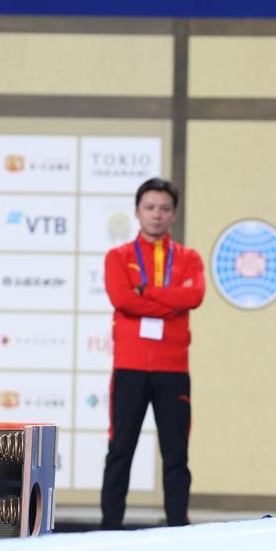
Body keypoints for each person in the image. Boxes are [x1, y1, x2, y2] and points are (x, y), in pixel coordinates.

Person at [100, 177, 205, 528]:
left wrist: (145, 292)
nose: (156, 215)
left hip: (173, 368)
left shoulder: (189, 258)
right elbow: (122, 298)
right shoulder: (119, 257)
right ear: (137, 212)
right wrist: (171, 302)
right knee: (120, 451)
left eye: (164, 208)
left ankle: (178, 527)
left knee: (176, 454)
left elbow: (195, 296)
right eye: (149, 207)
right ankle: (109, 529)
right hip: (129, 367)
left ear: (173, 214)